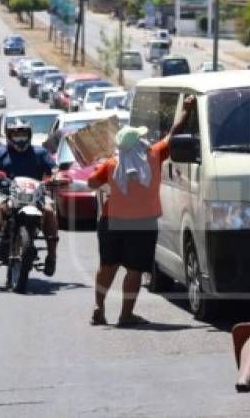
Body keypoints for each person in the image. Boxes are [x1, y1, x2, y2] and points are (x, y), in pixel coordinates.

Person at [86, 95, 196, 326]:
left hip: (111, 221)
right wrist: (186, 109)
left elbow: (92, 184)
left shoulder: (112, 164)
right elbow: (174, 134)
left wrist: (104, 170)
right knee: (134, 270)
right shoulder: (153, 156)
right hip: (142, 223)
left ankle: (99, 307)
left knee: (107, 266)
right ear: (139, 143)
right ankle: (126, 315)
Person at [0, 121, 59, 274]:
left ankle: (52, 257)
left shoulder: (40, 153)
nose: (20, 138)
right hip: (5, 193)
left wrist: (57, 176)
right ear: (9, 136)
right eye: (16, 134)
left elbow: (54, 169)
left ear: (29, 135)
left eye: (23, 134)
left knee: (49, 211)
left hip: (36, 194)